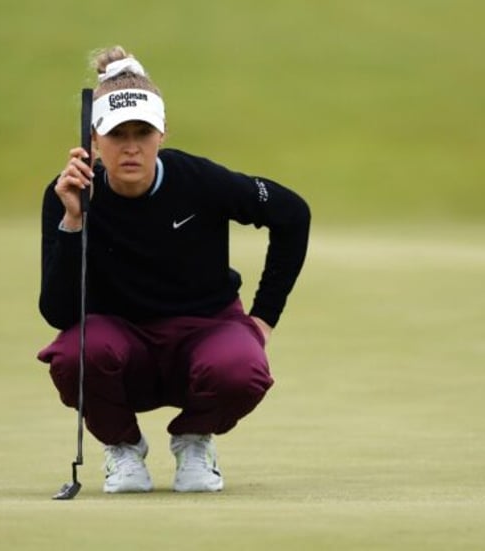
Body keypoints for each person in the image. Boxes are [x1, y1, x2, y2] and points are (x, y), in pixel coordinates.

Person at [37, 45, 311, 493]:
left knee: (242, 367)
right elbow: (59, 315)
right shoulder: (70, 194)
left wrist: (264, 318)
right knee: (73, 356)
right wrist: (74, 221)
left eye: (142, 133)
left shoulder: (199, 181)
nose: (130, 148)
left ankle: (194, 439)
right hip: (119, 342)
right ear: (93, 138)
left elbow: (292, 213)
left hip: (205, 331)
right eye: (116, 134)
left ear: (162, 133)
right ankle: (123, 447)